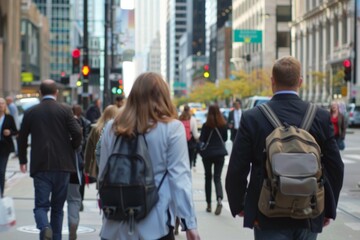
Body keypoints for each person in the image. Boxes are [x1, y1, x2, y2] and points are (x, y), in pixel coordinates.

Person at [225, 56, 344, 240]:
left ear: (272, 81)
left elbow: (236, 169)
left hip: (267, 213)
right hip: (309, 211)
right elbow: (336, 167)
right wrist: (328, 208)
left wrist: (242, 206)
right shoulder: (319, 116)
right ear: (300, 82)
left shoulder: (253, 117)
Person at [98, 72, 200, 240]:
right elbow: (179, 179)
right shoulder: (172, 129)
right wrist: (189, 223)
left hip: (115, 224)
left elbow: (104, 175)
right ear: (163, 96)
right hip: (155, 224)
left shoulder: (111, 128)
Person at [17, 79, 82, 240]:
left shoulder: (31, 112)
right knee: (58, 208)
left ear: (40, 93)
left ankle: (44, 227)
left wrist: (23, 160)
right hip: (63, 166)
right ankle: (56, 237)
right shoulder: (65, 110)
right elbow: (78, 133)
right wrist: (72, 147)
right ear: (56, 93)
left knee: (41, 206)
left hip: (41, 165)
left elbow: (22, 138)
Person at [199, 104, 228, 215]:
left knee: (207, 177)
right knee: (217, 178)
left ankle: (209, 205)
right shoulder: (223, 124)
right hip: (220, 154)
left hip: (208, 154)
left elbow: (202, 139)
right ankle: (219, 199)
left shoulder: (206, 125)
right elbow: (225, 138)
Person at [84, 104, 119, 184]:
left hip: (99, 165)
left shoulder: (96, 129)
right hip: (115, 166)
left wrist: (86, 169)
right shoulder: (119, 129)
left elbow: (89, 150)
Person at [72, 104, 91, 211]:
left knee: (81, 179)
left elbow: (86, 140)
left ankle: (80, 200)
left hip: (81, 155)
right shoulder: (70, 122)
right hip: (74, 154)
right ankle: (77, 199)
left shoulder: (86, 123)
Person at [0, 98, 18, 197]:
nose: (0, 105)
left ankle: (1, 193)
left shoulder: (9, 118)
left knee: (1, 171)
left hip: (4, 148)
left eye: (2, 103)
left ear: (5, 105)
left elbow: (16, 131)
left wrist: (10, 132)